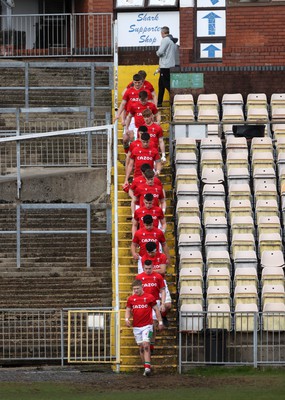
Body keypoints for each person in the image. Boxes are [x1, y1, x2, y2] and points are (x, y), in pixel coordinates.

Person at [125, 279, 163, 376]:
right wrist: (126, 319)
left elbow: (156, 310)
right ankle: (146, 367)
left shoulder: (149, 297)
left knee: (146, 345)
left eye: (137, 288)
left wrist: (160, 322)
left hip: (148, 326)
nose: (136, 290)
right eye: (134, 289)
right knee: (141, 348)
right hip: (137, 327)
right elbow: (128, 310)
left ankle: (147, 369)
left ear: (142, 287)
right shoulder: (131, 299)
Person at [136, 259, 166, 352]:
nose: (148, 270)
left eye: (149, 268)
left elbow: (162, 290)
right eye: (146, 268)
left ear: (153, 267)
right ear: (143, 268)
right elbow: (135, 290)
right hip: (143, 303)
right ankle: (147, 341)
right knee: (145, 324)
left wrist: (163, 303)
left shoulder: (158, 277)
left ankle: (151, 342)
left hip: (155, 302)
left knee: (153, 324)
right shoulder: (139, 277)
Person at [141, 241, 172, 327]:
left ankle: (163, 315)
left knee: (168, 305)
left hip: (161, 281)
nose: (150, 254)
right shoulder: (144, 258)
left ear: (156, 250)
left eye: (152, 252)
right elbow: (146, 272)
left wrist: (151, 271)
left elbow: (163, 270)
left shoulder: (162, 256)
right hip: (149, 282)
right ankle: (158, 320)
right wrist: (153, 272)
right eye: (148, 252)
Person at [156, 26, 178, 107]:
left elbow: (160, 52)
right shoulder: (173, 41)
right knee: (161, 85)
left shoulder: (165, 40)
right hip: (170, 65)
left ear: (162, 33)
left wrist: (157, 52)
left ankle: (176, 98)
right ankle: (159, 102)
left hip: (165, 66)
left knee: (166, 85)